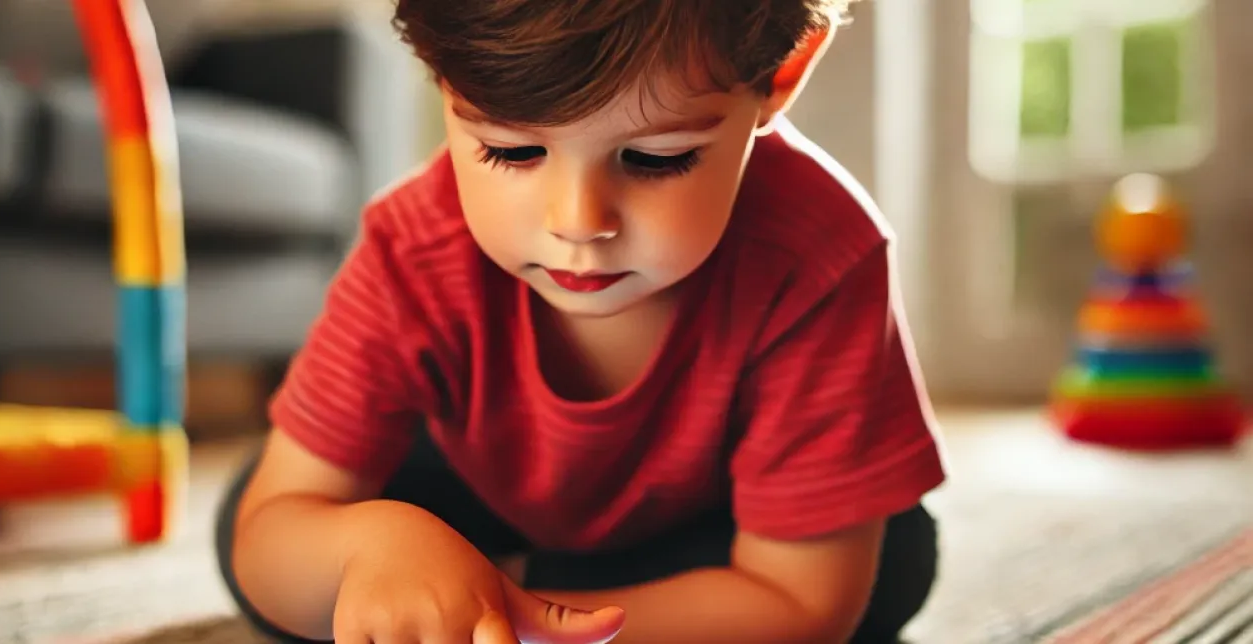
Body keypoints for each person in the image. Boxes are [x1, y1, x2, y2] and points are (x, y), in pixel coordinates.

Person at [216, 0, 948, 642]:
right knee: (262, 525)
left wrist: (496, 621)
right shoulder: (412, 250)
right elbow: (270, 541)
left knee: (892, 564)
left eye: (655, 159)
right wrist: (372, 547)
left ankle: (489, 592)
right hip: (471, 497)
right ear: (442, 76)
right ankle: (458, 579)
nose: (578, 223)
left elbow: (801, 604)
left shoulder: (818, 255)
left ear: (779, 75)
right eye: (512, 151)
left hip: (700, 528)